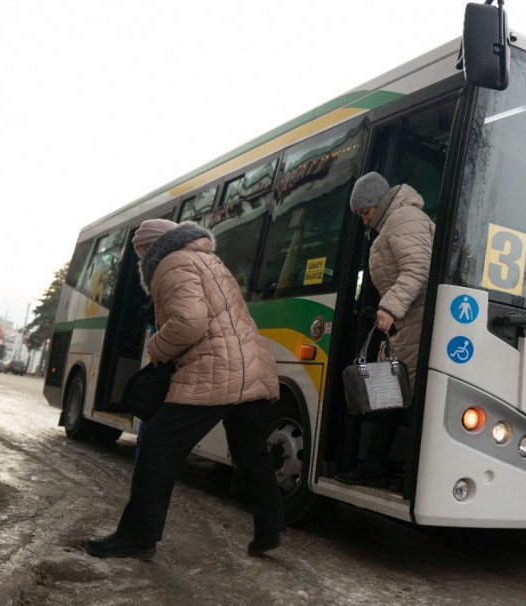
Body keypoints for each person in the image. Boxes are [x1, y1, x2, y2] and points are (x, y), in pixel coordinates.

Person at [83, 219, 285, 560]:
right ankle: (271, 527)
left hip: (213, 370)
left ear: (151, 247)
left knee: (157, 447)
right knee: (251, 452)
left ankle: (137, 536)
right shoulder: (210, 261)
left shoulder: (169, 264)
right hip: (252, 367)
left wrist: (156, 348)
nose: (140, 261)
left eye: (140, 252)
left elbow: (190, 322)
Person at [335, 172, 434, 487]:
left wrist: (390, 308)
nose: (364, 221)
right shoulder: (393, 224)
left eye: (365, 213)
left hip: (413, 320)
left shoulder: (405, 217)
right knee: (390, 394)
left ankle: (390, 468)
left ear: (378, 203)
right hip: (406, 323)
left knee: (397, 395)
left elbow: (418, 268)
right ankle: (377, 464)